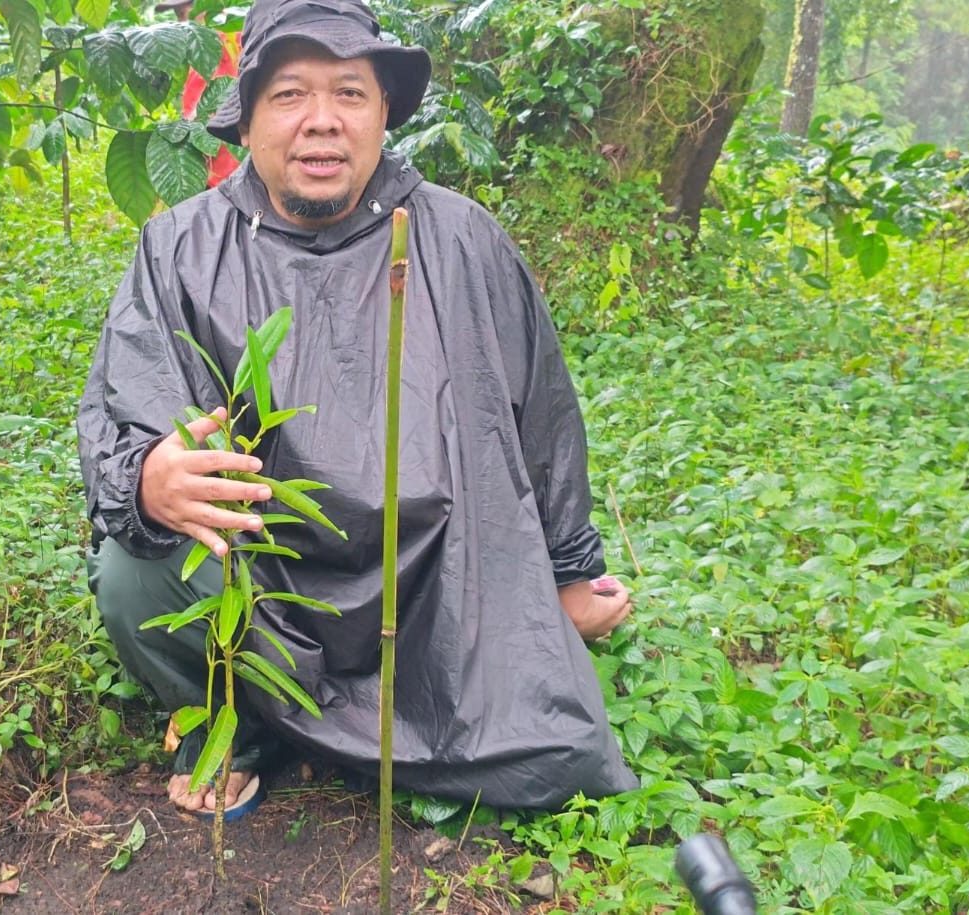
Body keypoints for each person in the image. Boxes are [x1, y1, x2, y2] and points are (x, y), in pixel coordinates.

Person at [78, 0, 638, 818]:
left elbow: (541, 416)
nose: (321, 123)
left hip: (437, 584)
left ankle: (344, 720)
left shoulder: (462, 239)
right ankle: (241, 720)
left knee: (548, 748)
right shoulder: (180, 249)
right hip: (265, 576)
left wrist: (567, 572)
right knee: (134, 577)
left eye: (349, 93)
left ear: (383, 114)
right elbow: (122, 416)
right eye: (291, 95)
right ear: (249, 117)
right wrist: (149, 481)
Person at [156, 0, 241, 187]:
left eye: (185, 10)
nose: (182, 18)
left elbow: (223, 95)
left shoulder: (218, 41)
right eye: (178, 12)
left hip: (224, 165)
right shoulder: (202, 45)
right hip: (215, 161)